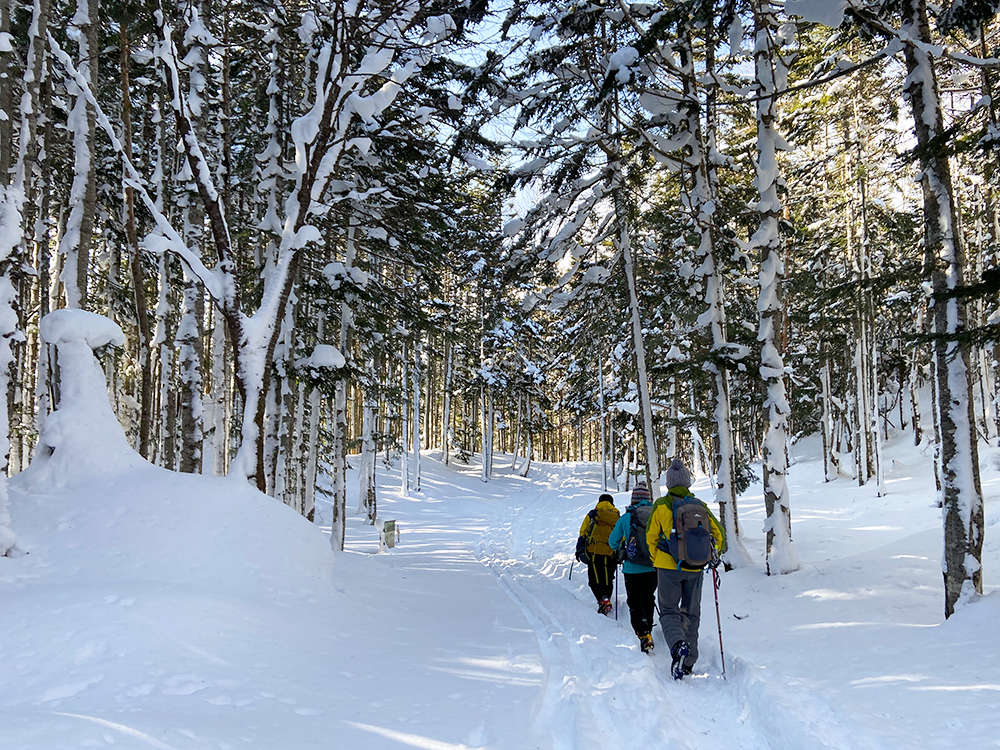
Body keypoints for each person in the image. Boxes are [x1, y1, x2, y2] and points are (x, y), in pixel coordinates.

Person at [646, 458, 724, 678]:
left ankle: (678, 645)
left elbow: (650, 537)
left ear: (669, 483)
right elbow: (719, 535)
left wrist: (657, 559)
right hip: (695, 567)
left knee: (669, 610)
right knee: (691, 612)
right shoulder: (700, 506)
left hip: (667, 567)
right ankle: (689, 662)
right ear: (687, 483)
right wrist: (710, 554)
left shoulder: (661, 505)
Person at [608, 481, 658, 653]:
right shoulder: (656, 515)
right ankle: (648, 628)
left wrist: (621, 549)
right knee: (648, 598)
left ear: (633, 499)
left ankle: (643, 633)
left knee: (635, 601)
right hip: (653, 566)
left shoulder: (626, 517)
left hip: (632, 568)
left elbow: (612, 541)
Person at [577, 493, 620, 615]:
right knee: (608, 578)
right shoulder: (616, 516)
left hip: (594, 551)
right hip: (610, 551)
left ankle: (603, 599)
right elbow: (620, 534)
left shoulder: (593, 514)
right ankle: (607, 598)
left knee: (595, 578)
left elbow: (583, 531)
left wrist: (579, 548)